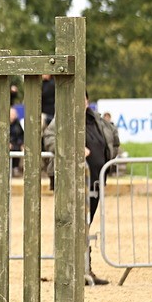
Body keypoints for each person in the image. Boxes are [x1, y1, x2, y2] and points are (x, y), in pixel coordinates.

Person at [43, 92, 117, 285]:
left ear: (87, 101)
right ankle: (70, 272)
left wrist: (110, 157)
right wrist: (71, 148)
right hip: (71, 183)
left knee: (86, 225)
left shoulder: (97, 119)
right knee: (71, 225)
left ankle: (85, 270)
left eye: (82, 98)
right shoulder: (63, 118)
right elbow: (49, 139)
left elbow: (112, 139)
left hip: (95, 182)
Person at [9, 107, 25, 177]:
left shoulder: (18, 124)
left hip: (16, 143)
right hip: (8, 143)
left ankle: (15, 168)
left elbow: (22, 135)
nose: (13, 116)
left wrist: (22, 144)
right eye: (12, 114)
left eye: (14, 114)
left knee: (18, 149)